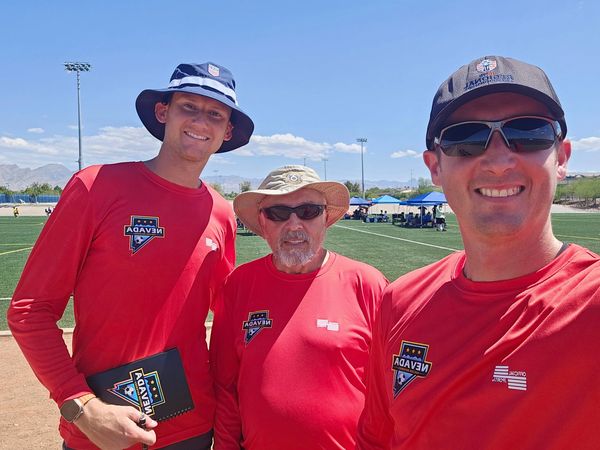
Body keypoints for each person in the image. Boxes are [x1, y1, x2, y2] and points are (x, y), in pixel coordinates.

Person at [7, 62, 254, 450]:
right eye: (188, 106)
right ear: (163, 113)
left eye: (215, 114)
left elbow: (225, 325)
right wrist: (82, 407)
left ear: (227, 132)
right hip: (102, 428)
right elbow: (29, 310)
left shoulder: (221, 213)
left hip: (191, 428)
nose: (200, 122)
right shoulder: (97, 187)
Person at [357, 55, 600, 449]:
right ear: (435, 167)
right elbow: (375, 439)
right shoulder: (399, 302)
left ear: (563, 158)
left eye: (529, 131)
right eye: (465, 139)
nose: (499, 160)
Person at [210, 165, 388, 450]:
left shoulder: (367, 284)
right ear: (262, 222)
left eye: (308, 211)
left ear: (326, 217)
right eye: (278, 213)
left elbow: (389, 393)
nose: (294, 225)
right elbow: (226, 387)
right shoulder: (238, 285)